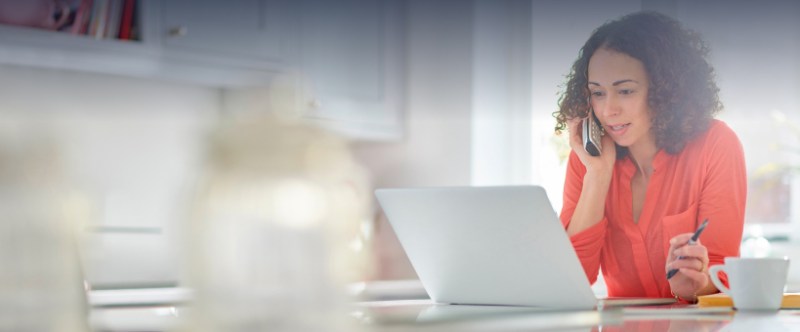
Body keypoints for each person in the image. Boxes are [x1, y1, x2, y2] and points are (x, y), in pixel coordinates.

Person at [553, 11, 746, 303]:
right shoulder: (588, 160)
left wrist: (694, 284)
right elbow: (570, 280)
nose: (608, 110)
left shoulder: (716, 145)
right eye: (598, 93)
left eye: (625, 91)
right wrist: (598, 175)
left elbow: (721, 274)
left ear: (664, 90)